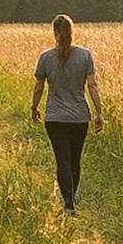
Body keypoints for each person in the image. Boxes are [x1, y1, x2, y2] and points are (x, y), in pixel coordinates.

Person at [30, 13, 102, 214]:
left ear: (54, 32)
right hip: (79, 117)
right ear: (72, 31)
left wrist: (34, 108)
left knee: (62, 159)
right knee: (75, 159)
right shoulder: (85, 55)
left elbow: (39, 87)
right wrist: (99, 113)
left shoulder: (46, 58)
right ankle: (73, 193)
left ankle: (68, 202)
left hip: (55, 118)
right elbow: (92, 86)